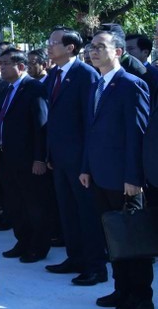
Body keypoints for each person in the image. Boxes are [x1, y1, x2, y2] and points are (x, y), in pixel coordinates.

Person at [81, 28, 152, 309]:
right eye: (91, 46)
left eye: (100, 46)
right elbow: (92, 131)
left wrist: (134, 177)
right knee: (114, 237)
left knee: (133, 239)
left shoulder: (131, 84)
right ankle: (121, 290)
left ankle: (140, 297)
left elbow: (137, 134)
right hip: (100, 176)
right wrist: (86, 167)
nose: (93, 50)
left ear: (118, 52)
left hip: (124, 179)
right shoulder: (97, 85)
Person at [44, 27, 107, 286]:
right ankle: (75, 258)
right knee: (68, 212)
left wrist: (86, 164)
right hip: (59, 159)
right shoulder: (54, 75)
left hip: (80, 161)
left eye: (54, 42)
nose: (49, 46)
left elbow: (90, 122)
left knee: (86, 214)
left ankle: (95, 267)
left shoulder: (86, 75)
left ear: (70, 47)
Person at [0, 49, 50, 263]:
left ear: (20, 66)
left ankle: (38, 245)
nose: (1, 66)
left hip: (28, 159)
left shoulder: (34, 88)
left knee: (33, 203)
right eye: (0, 62)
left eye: (5, 63)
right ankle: (23, 240)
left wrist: (40, 158)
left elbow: (41, 125)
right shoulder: (6, 89)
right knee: (15, 203)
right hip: (8, 157)